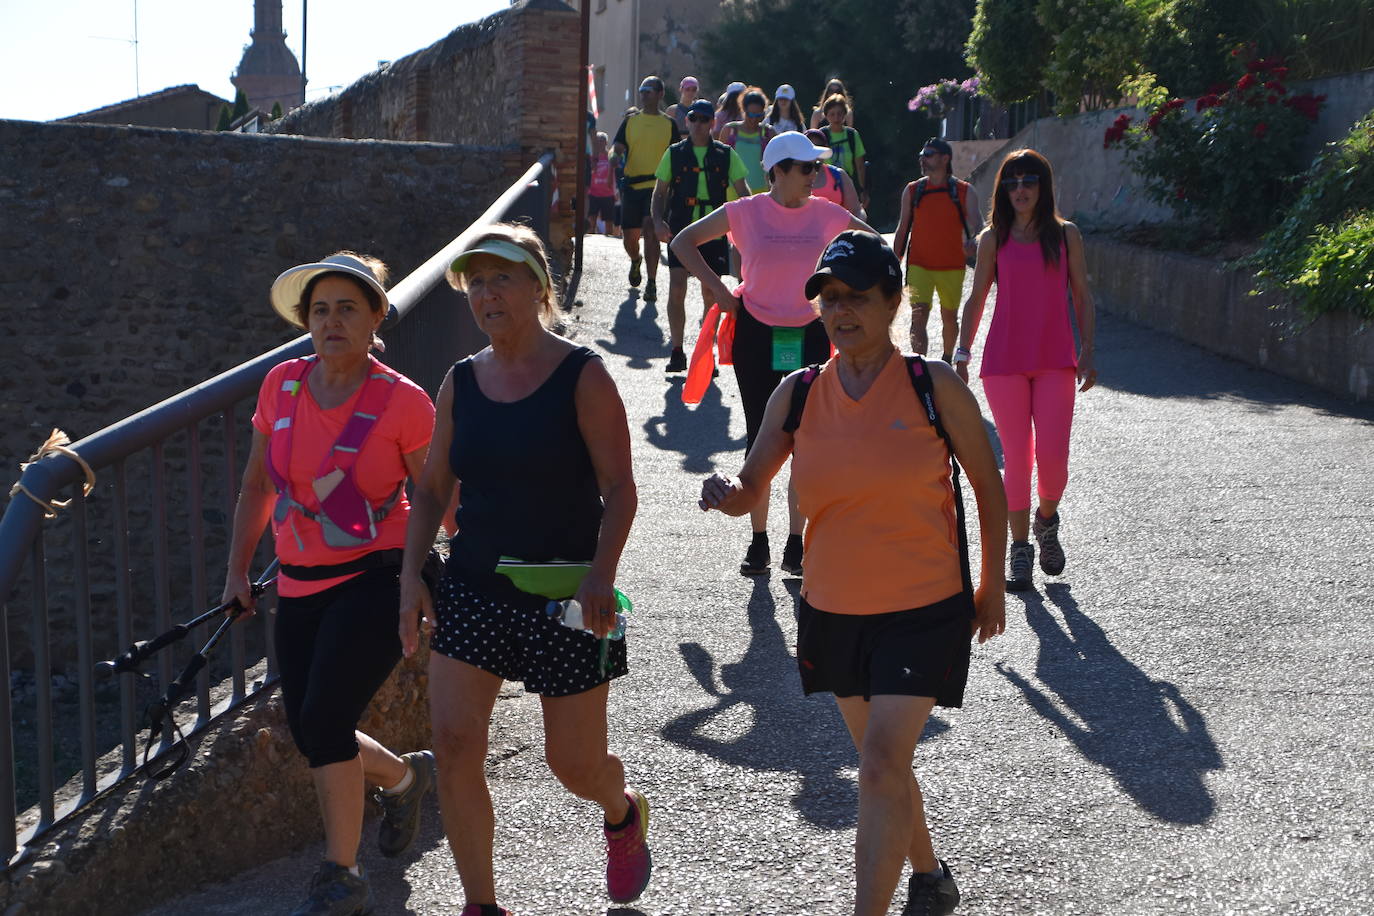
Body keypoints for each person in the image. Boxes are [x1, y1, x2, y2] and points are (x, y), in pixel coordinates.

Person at [699, 230, 1007, 916]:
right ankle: (929, 876)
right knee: (885, 765)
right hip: (833, 608)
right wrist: (727, 496)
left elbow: (989, 487)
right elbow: (754, 489)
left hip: (926, 607)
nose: (840, 312)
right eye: (829, 299)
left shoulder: (935, 386)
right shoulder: (800, 393)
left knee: (876, 765)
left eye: (857, 298)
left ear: (894, 300)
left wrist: (990, 586)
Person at [399, 224, 649, 916]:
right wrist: (410, 577)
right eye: (475, 282)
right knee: (452, 744)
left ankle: (621, 810)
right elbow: (429, 490)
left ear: (540, 286)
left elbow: (621, 488)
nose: (487, 293)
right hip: (476, 587)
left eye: (502, 277)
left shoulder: (582, 375)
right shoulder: (459, 382)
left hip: (569, 596)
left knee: (573, 765)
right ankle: (482, 905)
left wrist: (603, 573)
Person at [222, 252, 438, 915]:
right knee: (313, 727)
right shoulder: (280, 386)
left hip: (377, 577)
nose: (332, 321)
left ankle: (340, 874)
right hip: (299, 580)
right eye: (320, 310)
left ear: (377, 319)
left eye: (348, 307)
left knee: (324, 716)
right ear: (305, 322)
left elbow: (432, 499)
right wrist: (237, 570)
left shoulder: (405, 402)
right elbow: (259, 483)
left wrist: (425, 578)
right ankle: (404, 778)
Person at [671, 131, 872, 576]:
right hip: (756, 333)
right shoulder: (746, 212)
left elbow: (875, 248)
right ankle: (758, 541)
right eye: (805, 168)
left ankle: (796, 544)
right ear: (777, 171)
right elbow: (682, 242)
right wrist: (719, 287)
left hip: (811, 335)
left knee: (807, 439)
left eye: (816, 168)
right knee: (760, 436)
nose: (815, 175)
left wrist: (845, 299)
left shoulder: (827, 213)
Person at [955, 148, 1098, 591]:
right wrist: (962, 350)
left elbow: (1081, 294)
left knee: (1053, 459)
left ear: (1043, 186)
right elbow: (977, 298)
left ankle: (1046, 519)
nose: (1020, 189)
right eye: (1012, 181)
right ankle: (1020, 548)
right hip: (1004, 363)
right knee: (1017, 457)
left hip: (1056, 360)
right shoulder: (992, 239)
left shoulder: (1065, 234)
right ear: (1003, 189)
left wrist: (1088, 349)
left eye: (1029, 180)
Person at [652, 98, 751, 374]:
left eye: (704, 119)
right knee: (677, 287)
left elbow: (743, 191)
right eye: (693, 118)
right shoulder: (674, 153)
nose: (698, 124)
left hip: (712, 228)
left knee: (711, 292)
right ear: (687, 121)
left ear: (711, 123)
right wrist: (659, 222)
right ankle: (677, 350)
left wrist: (754, 221)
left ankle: (706, 350)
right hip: (680, 226)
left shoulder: (725, 154)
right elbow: (660, 193)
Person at [893, 137, 983, 362]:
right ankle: (919, 364)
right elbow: (903, 227)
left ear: (945, 158)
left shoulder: (963, 191)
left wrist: (976, 243)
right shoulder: (913, 191)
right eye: (922, 155)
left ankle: (946, 358)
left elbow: (979, 227)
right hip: (918, 265)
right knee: (918, 315)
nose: (923, 159)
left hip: (952, 266)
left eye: (929, 155)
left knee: (949, 317)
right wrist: (894, 259)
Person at [612, 75, 681, 303]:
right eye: (642, 90)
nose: (643, 94)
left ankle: (651, 283)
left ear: (660, 94)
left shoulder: (669, 124)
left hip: (657, 188)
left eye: (648, 90)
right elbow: (618, 146)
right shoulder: (631, 121)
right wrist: (615, 156)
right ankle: (635, 260)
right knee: (629, 238)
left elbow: (676, 154)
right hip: (632, 186)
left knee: (651, 231)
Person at [718, 87, 776, 195]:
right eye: (751, 114)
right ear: (743, 110)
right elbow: (720, 161)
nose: (754, 119)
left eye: (758, 115)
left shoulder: (769, 133)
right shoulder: (730, 130)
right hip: (732, 191)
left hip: (761, 190)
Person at [821, 93, 868, 209]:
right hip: (826, 186)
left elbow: (860, 166)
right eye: (832, 114)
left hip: (848, 184)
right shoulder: (822, 135)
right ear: (826, 116)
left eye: (839, 114)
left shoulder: (852, 135)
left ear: (845, 115)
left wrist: (863, 190)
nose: (836, 118)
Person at [805, 128, 864, 217]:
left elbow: (857, 211)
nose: (815, 151)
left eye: (819, 146)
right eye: (810, 146)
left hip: (839, 229)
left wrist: (857, 225)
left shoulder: (839, 175)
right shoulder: (793, 178)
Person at [588, 131, 620, 237]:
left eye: (602, 141)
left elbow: (617, 175)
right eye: (597, 142)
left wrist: (617, 191)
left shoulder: (611, 157)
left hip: (608, 194)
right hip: (593, 193)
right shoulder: (591, 158)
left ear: (606, 143)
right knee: (591, 223)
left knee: (609, 226)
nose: (599, 144)